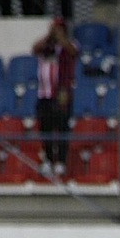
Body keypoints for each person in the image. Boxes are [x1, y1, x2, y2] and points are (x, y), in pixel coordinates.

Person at [32, 18, 77, 177]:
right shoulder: (45, 46)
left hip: (61, 93)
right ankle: (49, 158)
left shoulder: (69, 44)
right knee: (45, 127)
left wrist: (60, 38)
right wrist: (48, 36)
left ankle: (61, 161)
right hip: (44, 93)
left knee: (62, 126)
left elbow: (73, 51)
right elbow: (34, 48)